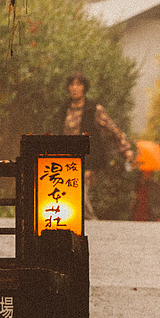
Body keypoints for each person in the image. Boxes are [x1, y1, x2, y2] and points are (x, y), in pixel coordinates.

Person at [58, 72, 134, 218]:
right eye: (72, 84)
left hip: (88, 159)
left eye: (78, 84)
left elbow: (112, 130)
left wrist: (126, 149)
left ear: (84, 88)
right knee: (68, 195)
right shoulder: (64, 109)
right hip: (67, 158)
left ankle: (91, 222)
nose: (75, 88)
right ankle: (88, 223)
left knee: (79, 192)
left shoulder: (93, 109)